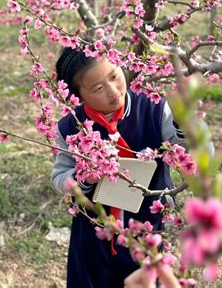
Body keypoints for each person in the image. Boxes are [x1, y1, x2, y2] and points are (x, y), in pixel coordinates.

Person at [51, 47, 183, 288]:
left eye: (114, 76)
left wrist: (183, 120)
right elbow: (59, 177)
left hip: (145, 231)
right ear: (79, 96)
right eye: (98, 89)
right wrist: (83, 179)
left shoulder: (153, 109)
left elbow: (189, 154)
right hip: (92, 236)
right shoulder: (72, 127)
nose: (113, 92)